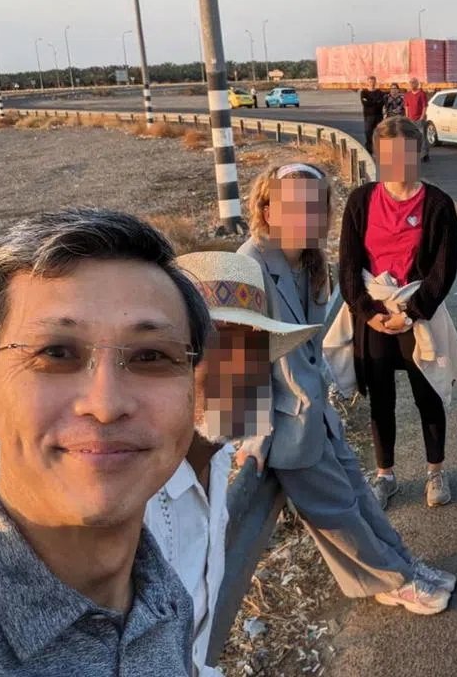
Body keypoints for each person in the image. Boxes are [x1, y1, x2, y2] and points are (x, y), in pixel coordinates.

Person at [0, 208, 207, 676]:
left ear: (191, 396)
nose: (105, 404)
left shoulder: (166, 601)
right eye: (56, 353)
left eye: (151, 356)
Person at [237, 165, 457, 615]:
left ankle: (403, 565)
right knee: (338, 511)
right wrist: (251, 441)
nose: (308, 215)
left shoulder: (312, 264)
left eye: (317, 205)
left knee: (359, 497)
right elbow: (230, 362)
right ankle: (395, 581)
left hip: (317, 413)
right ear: (267, 208)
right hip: (283, 425)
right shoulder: (247, 266)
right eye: (295, 204)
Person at [144, 252, 317, 676]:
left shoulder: (216, 460)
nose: (242, 370)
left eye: (254, 347)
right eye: (219, 348)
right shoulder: (134, 498)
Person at [334, 117, 457, 510]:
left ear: (418, 152)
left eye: (405, 154)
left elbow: (444, 269)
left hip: (417, 313)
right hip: (373, 314)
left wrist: (410, 313)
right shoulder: (361, 201)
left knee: (428, 394)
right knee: (380, 400)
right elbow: (347, 266)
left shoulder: (438, 204)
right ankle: (386, 474)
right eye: (388, 155)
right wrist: (370, 314)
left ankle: (436, 470)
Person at [404, 77, 430, 163]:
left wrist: (422, 116)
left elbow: (424, 106)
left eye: (413, 82)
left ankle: (424, 155)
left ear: (417, 84)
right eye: (410, 83)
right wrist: (407, 116)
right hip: (410, 120)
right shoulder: (407, 94)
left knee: (422, 137)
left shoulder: (422, 94)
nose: (411, 84)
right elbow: (406, 106)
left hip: (420, 119)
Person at [360, 76, 385, 153]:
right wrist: (375, 102)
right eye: (370, 82)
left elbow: (381, 103)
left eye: (373, 82)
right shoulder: (363, 92)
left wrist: (370, 101)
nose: (372, 83)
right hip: (368, 116)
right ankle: (369, 150)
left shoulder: (380, 92)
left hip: (379, 116)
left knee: (379, 133)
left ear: (375, 82)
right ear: (367, 83)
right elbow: (365, 103)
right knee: (368, 133)